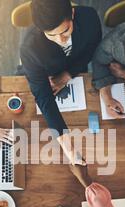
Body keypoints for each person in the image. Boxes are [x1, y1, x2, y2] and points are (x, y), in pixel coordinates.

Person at [20, 0, 102, 163]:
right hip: (45, 73)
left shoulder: (89, 17)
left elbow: (93, 48)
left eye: (65, 31)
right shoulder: (29, 49)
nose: (61, 40)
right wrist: (67, 145)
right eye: (51, 35)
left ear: (72, 13)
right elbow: (43, 96)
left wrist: (68, 74)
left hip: (77, 68)